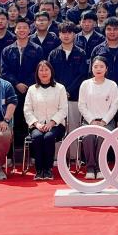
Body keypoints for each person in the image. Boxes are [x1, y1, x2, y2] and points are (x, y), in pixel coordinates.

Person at [47, 22, 88, 161]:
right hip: (56, 97)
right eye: (63, 33)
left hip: (74, 97)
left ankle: (74, 157)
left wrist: (68, 91)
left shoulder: (81, 53)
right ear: (59, 35)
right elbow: (50, 75)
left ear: (74, 35)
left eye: (69, 32)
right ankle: (57, 157)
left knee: (74, 126)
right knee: (57, 126)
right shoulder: (53, 53)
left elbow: (82, 75)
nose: (66, 35)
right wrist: (61, 91)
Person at [23, 60, 68, 180]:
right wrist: (37, 124)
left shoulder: (60, 88)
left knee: (48, 137)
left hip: (56, 125)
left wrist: (52, 123)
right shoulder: (32, 89)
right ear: (37, 73)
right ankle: (39, 170)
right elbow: (27, 110)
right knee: (37, 137)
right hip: (36, 125)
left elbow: (63, 109)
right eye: (41, 70)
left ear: (51, 71)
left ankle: (48, 169)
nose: (44, 73)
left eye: (46, 70)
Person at [77, 57, 118, 179]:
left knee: (103, 136)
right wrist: (91, 120)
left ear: (106, 69)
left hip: (107, 121)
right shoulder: (85, 84)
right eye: (95, 67)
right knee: (88, 136)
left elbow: (114, 105)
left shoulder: (112, 85)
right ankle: (90, 167)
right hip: (89, 121)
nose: (98, 69)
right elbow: (81, 105)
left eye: (101, 66)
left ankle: (101, 167)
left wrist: (104, 121)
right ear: (91, 69)